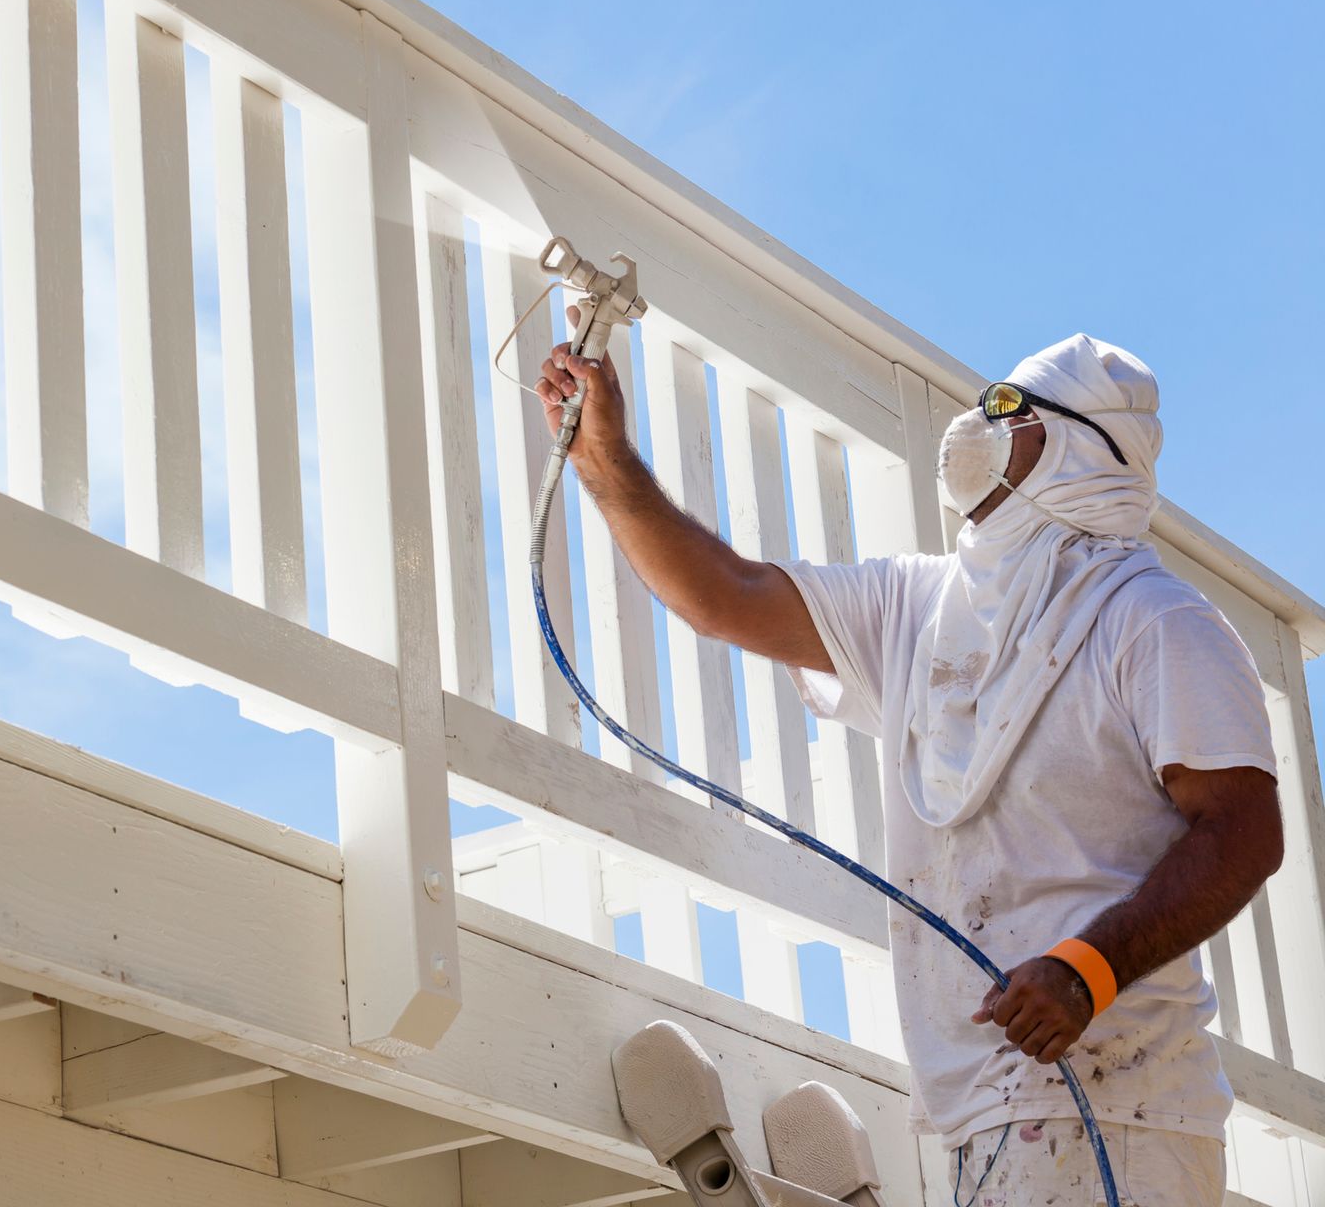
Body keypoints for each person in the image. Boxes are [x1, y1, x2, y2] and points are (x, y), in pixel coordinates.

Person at [536, 327, 1283, 1204]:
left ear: (1079, 446)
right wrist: (604, 458)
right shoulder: (918, 605)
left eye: (1009, 407)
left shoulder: (1154, 620)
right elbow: (723, 598)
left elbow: (1242, 832)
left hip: (1126, 1106)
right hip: (978, 1105)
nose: (980, 420)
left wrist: (1089, 969)